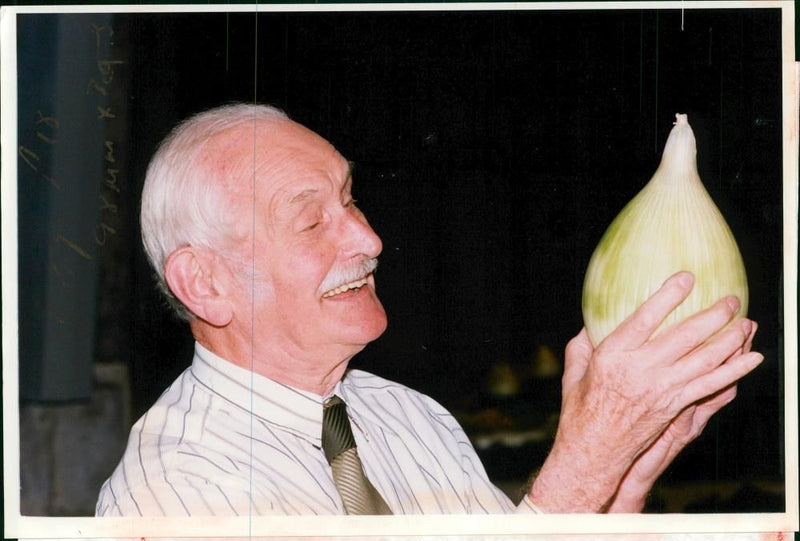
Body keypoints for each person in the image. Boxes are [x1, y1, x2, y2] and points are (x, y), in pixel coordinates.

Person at [96, 103, 762, 516]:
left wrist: (625, 473)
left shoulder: (412, 417)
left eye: (350, 201)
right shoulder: (178, 490)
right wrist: (584, 462)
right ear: (204, 283)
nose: (368, 239)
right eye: (310, 223)